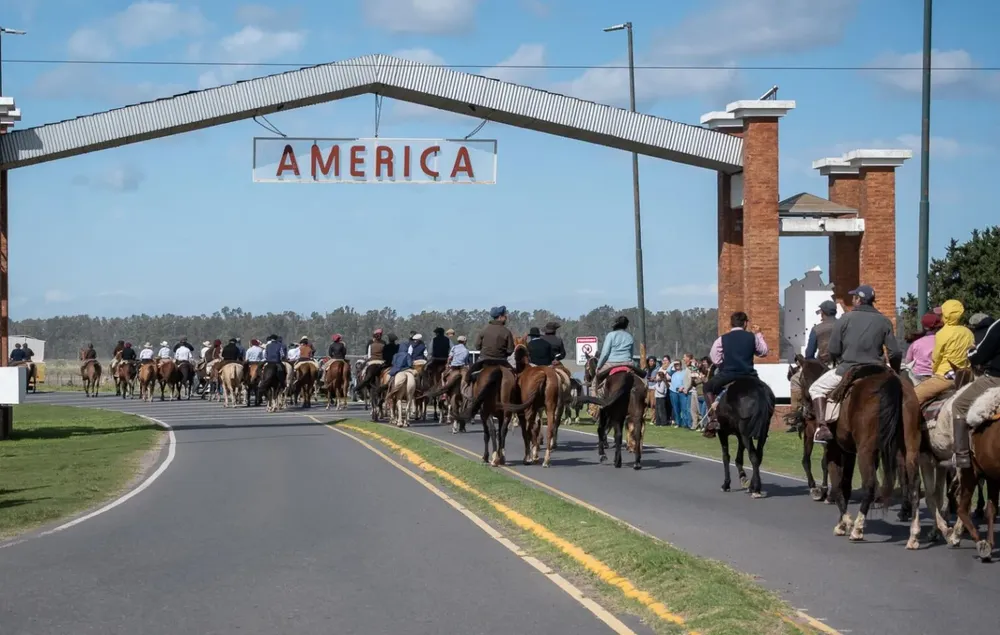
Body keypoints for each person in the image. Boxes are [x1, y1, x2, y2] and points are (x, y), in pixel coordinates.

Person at [808, 285, 901, 444]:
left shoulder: (845, 319)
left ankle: (822, 427)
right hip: (878, 370)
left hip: (849, 369)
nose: (852, 300)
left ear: (859, 299)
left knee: (816, 388)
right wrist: (896, 370)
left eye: (854, 297)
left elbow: (834, 349)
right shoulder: (885, 320)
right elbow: (895, 353)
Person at [701, 311, 769, 437]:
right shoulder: (752, 337)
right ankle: (763, 424)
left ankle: (714, 419)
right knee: (765, 393)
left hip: (729, 374)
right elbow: (763, 352)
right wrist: (759, 334)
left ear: (731, 324)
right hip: (749, 375)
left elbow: (714, 358)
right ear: (745, 323)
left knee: (707, 387)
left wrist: (724, 365)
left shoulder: (722, 339)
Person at [950, 316, 1000, 468]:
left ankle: (962, 456)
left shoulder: (998, 326)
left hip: (996, 379)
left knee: (958, 405)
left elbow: (980, 354)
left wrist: (970, 353)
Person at [786, 300, 840, 431]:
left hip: (823, 367)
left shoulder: (817, 329)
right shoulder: (843, 325)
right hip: (843, 364)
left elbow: (809, 354)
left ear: (823, 313)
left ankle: (796, 418)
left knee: (795, 380)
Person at [913, 299, 974, 407]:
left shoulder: (942, 333)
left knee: (912, 397)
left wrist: (934, 371)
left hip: (945, 378)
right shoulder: (968, 332)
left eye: (941, 314)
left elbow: (936, 357)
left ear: (945, 316)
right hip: (965, 377)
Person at [466, 306, 516, 383]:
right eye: (504, 316)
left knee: (468, 376)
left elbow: (477, 346)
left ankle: (468, 392)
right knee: (515, 377)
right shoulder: (507, 332)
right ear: (500, 317)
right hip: (501, 361)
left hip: (484, 360)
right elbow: (510, 350)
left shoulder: (484, 330)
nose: (506, 318)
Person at [592, 315, 636, 396]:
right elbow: (631, 354)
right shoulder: (630, 337)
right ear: (626, 325)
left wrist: (598, 366)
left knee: (596, 380)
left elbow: (605, 354)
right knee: (641, 379)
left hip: (612, 363)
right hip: (628, 363)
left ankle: (594, 404)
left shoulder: (610, 335)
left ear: (616, 325)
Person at [904, 312, 941, 381]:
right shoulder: (942, 341)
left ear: (923, 326)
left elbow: (907, 362)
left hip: (918, 378)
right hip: (937, 377)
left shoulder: (915, 343)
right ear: (938, 327)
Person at [669, 359, 693, 429]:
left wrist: (683, 387)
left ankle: (686, 423)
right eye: (675, 365)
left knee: (684, 408)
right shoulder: (672, 372)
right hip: (673, 392)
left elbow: (687, 381)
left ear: (680, 364)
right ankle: (678, 423)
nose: (677, 366)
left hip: (682, 392)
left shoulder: (684, 372)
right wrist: (673, 362)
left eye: (678, 364)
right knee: (676, 408)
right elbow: (668, 370)